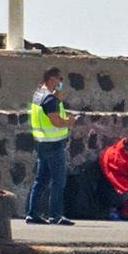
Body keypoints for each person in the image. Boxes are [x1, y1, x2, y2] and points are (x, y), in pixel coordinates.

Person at [25, 67, 78, 226]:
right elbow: (55, 121)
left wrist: (58, 100)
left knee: (41, 180)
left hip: (42, 143)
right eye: (59, 79)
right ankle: (55, 215)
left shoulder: (39, 95)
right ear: (52, 78)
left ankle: (32, 213)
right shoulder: (49, 99)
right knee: (58, 181)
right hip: (53, 144)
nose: (61, 82)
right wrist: (69, 122)